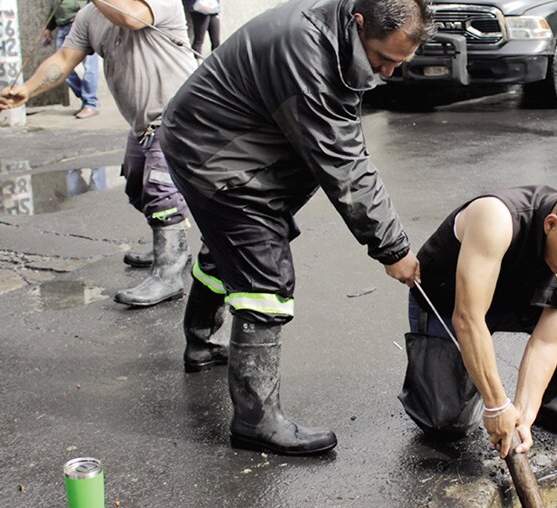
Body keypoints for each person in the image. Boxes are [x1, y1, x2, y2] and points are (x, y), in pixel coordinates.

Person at [158, 0, 431, 456]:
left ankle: (201, 343)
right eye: (384, 59)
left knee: (227, 251)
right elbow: (344, 164)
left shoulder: (334, 33)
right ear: (359, 23)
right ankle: (256, 422)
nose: (388, 72)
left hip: (220, 139)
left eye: (400, 63)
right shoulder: (306, 53)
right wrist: (393, 248)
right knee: (264, 278)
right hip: (214, 153)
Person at [399, 186, 557, 458]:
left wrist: (523, 417)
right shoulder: (495, 218)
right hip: (450, 303)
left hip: (521, 300)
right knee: (447, 422)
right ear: (551, 225)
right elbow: (468, 318)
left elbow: (547, 341)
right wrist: (496, 404)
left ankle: (548, 400)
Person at [0, 0, 198, 306]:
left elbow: (131, 18)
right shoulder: (90, 15)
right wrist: (27, 89)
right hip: (142, 123)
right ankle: (173, 248)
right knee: (137, 188)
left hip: (179, 115)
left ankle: (168, 274)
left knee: (161, 193)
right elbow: (64, 58)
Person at [43, 0, 100, 118]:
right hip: (63, 28)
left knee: (89, 66)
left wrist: (83, 15)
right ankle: (85, 98)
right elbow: (55, 8)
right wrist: (48, 28)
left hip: (81, 26)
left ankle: (91, 104)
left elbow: (96, 4)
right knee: (62, 68)